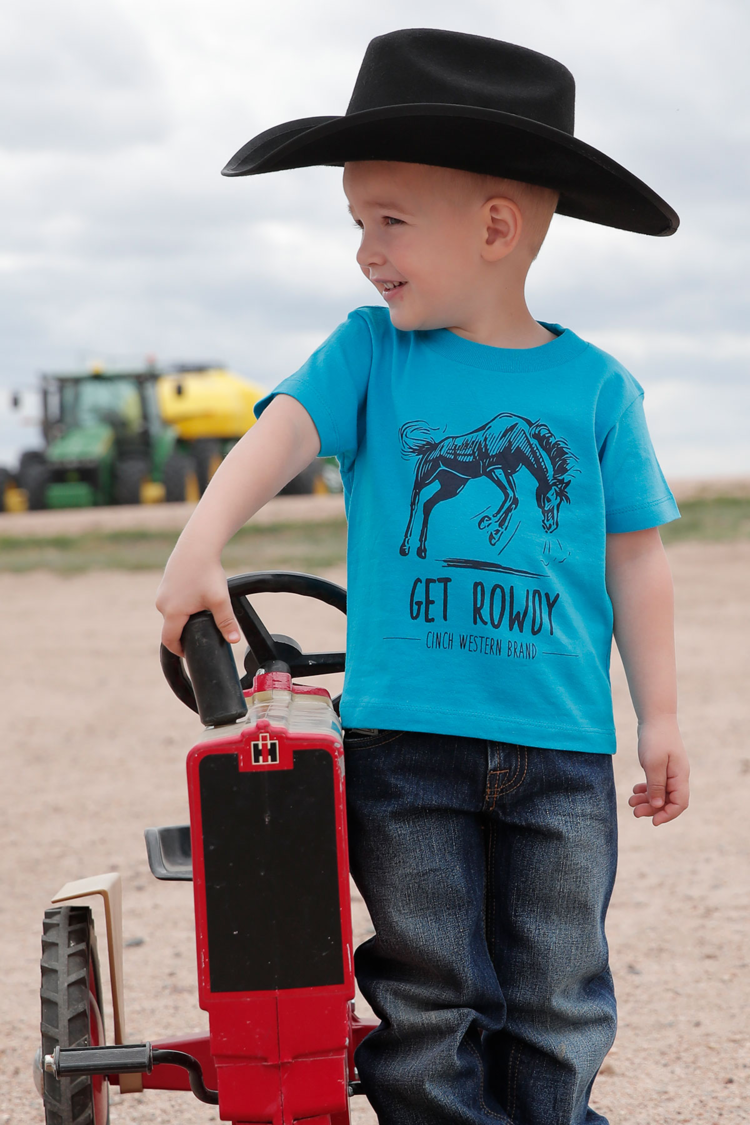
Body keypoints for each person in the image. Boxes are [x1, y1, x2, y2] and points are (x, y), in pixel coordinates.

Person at [157, 29, 690, 1125]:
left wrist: (662, 717)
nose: (365, 251)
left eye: (388, 221)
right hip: (409, 748)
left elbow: (634, 558)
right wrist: (196, 544)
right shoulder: (370, 353)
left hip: (560, 750)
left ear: (497, 228)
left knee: (557, 989)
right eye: (357, 222)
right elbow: (281, 434)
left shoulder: (597, 390)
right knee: (431, 987)